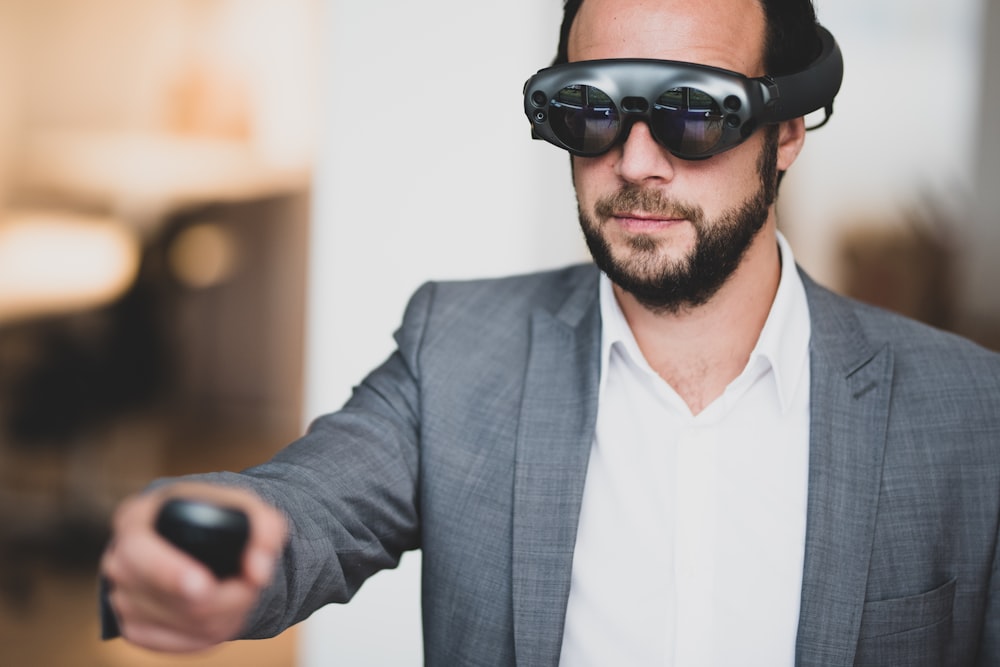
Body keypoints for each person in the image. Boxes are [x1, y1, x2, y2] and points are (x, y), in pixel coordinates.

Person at [100, 0, 1000, 664]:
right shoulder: (456, 349)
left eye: (694, 112)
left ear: (789, 127)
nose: (636, 162)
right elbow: (306, 509)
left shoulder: (969, 414)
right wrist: (201, 542)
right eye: (592, 112)